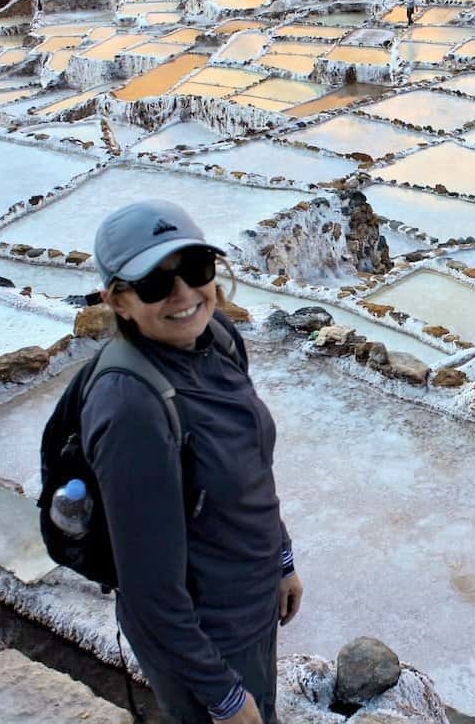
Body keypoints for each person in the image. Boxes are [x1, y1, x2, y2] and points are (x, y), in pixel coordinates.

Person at [86, 199, 303, 724]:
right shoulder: (133, 409)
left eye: (196, 268)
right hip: (205, 637)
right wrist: (222, 695)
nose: (184, 294)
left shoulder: (218, 339)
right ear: (118, 301)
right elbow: (148, 590)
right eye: (156, 285)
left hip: (250, 602)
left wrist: (281, 558)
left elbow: (251, 464)